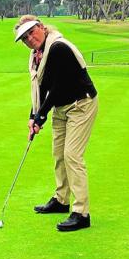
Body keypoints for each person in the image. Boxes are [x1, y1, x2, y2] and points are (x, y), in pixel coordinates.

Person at [14, 15, 98, 232]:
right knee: (58, 154)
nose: (30, 39)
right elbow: (41, 89)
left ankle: (82, 213)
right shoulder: (36, 56)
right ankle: (61, 200)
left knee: (72, 155)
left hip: (81, 103)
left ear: (41, 27)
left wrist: (41, 117)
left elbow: (58, 86)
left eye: (32, 32)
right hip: (62, 107)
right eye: (25, 38)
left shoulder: (59, 48)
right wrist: (33, 115)